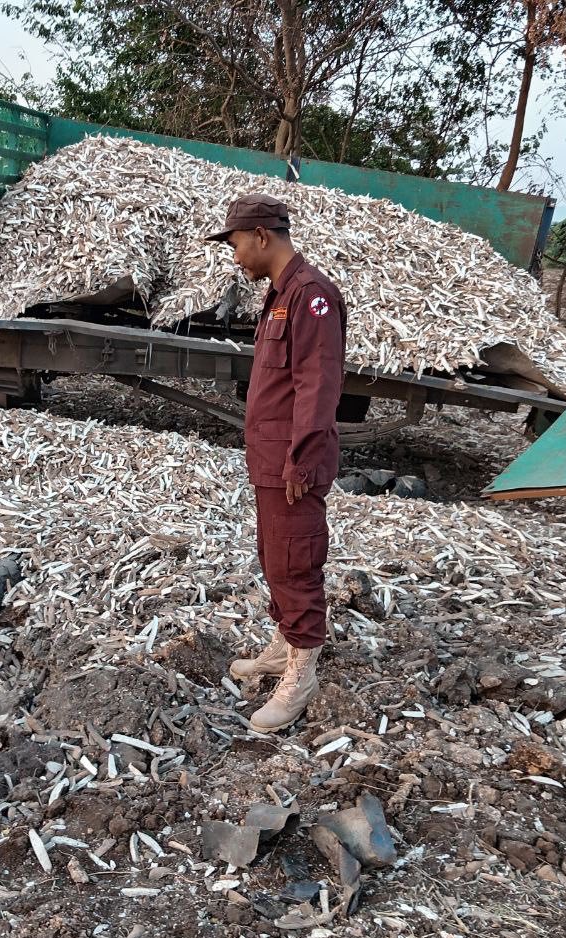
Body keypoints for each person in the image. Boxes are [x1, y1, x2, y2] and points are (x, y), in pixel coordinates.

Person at [205, 194, 346, 733]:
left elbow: (318, 385)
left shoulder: (312, 297)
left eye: (237, 243)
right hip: (271, 456)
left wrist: (302, 460)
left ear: (262, 236)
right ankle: (284, 644)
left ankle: (302, 672)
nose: (235, 255)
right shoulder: (280, 295)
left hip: (293, 461)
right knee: (274, 554)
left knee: (295, 559)